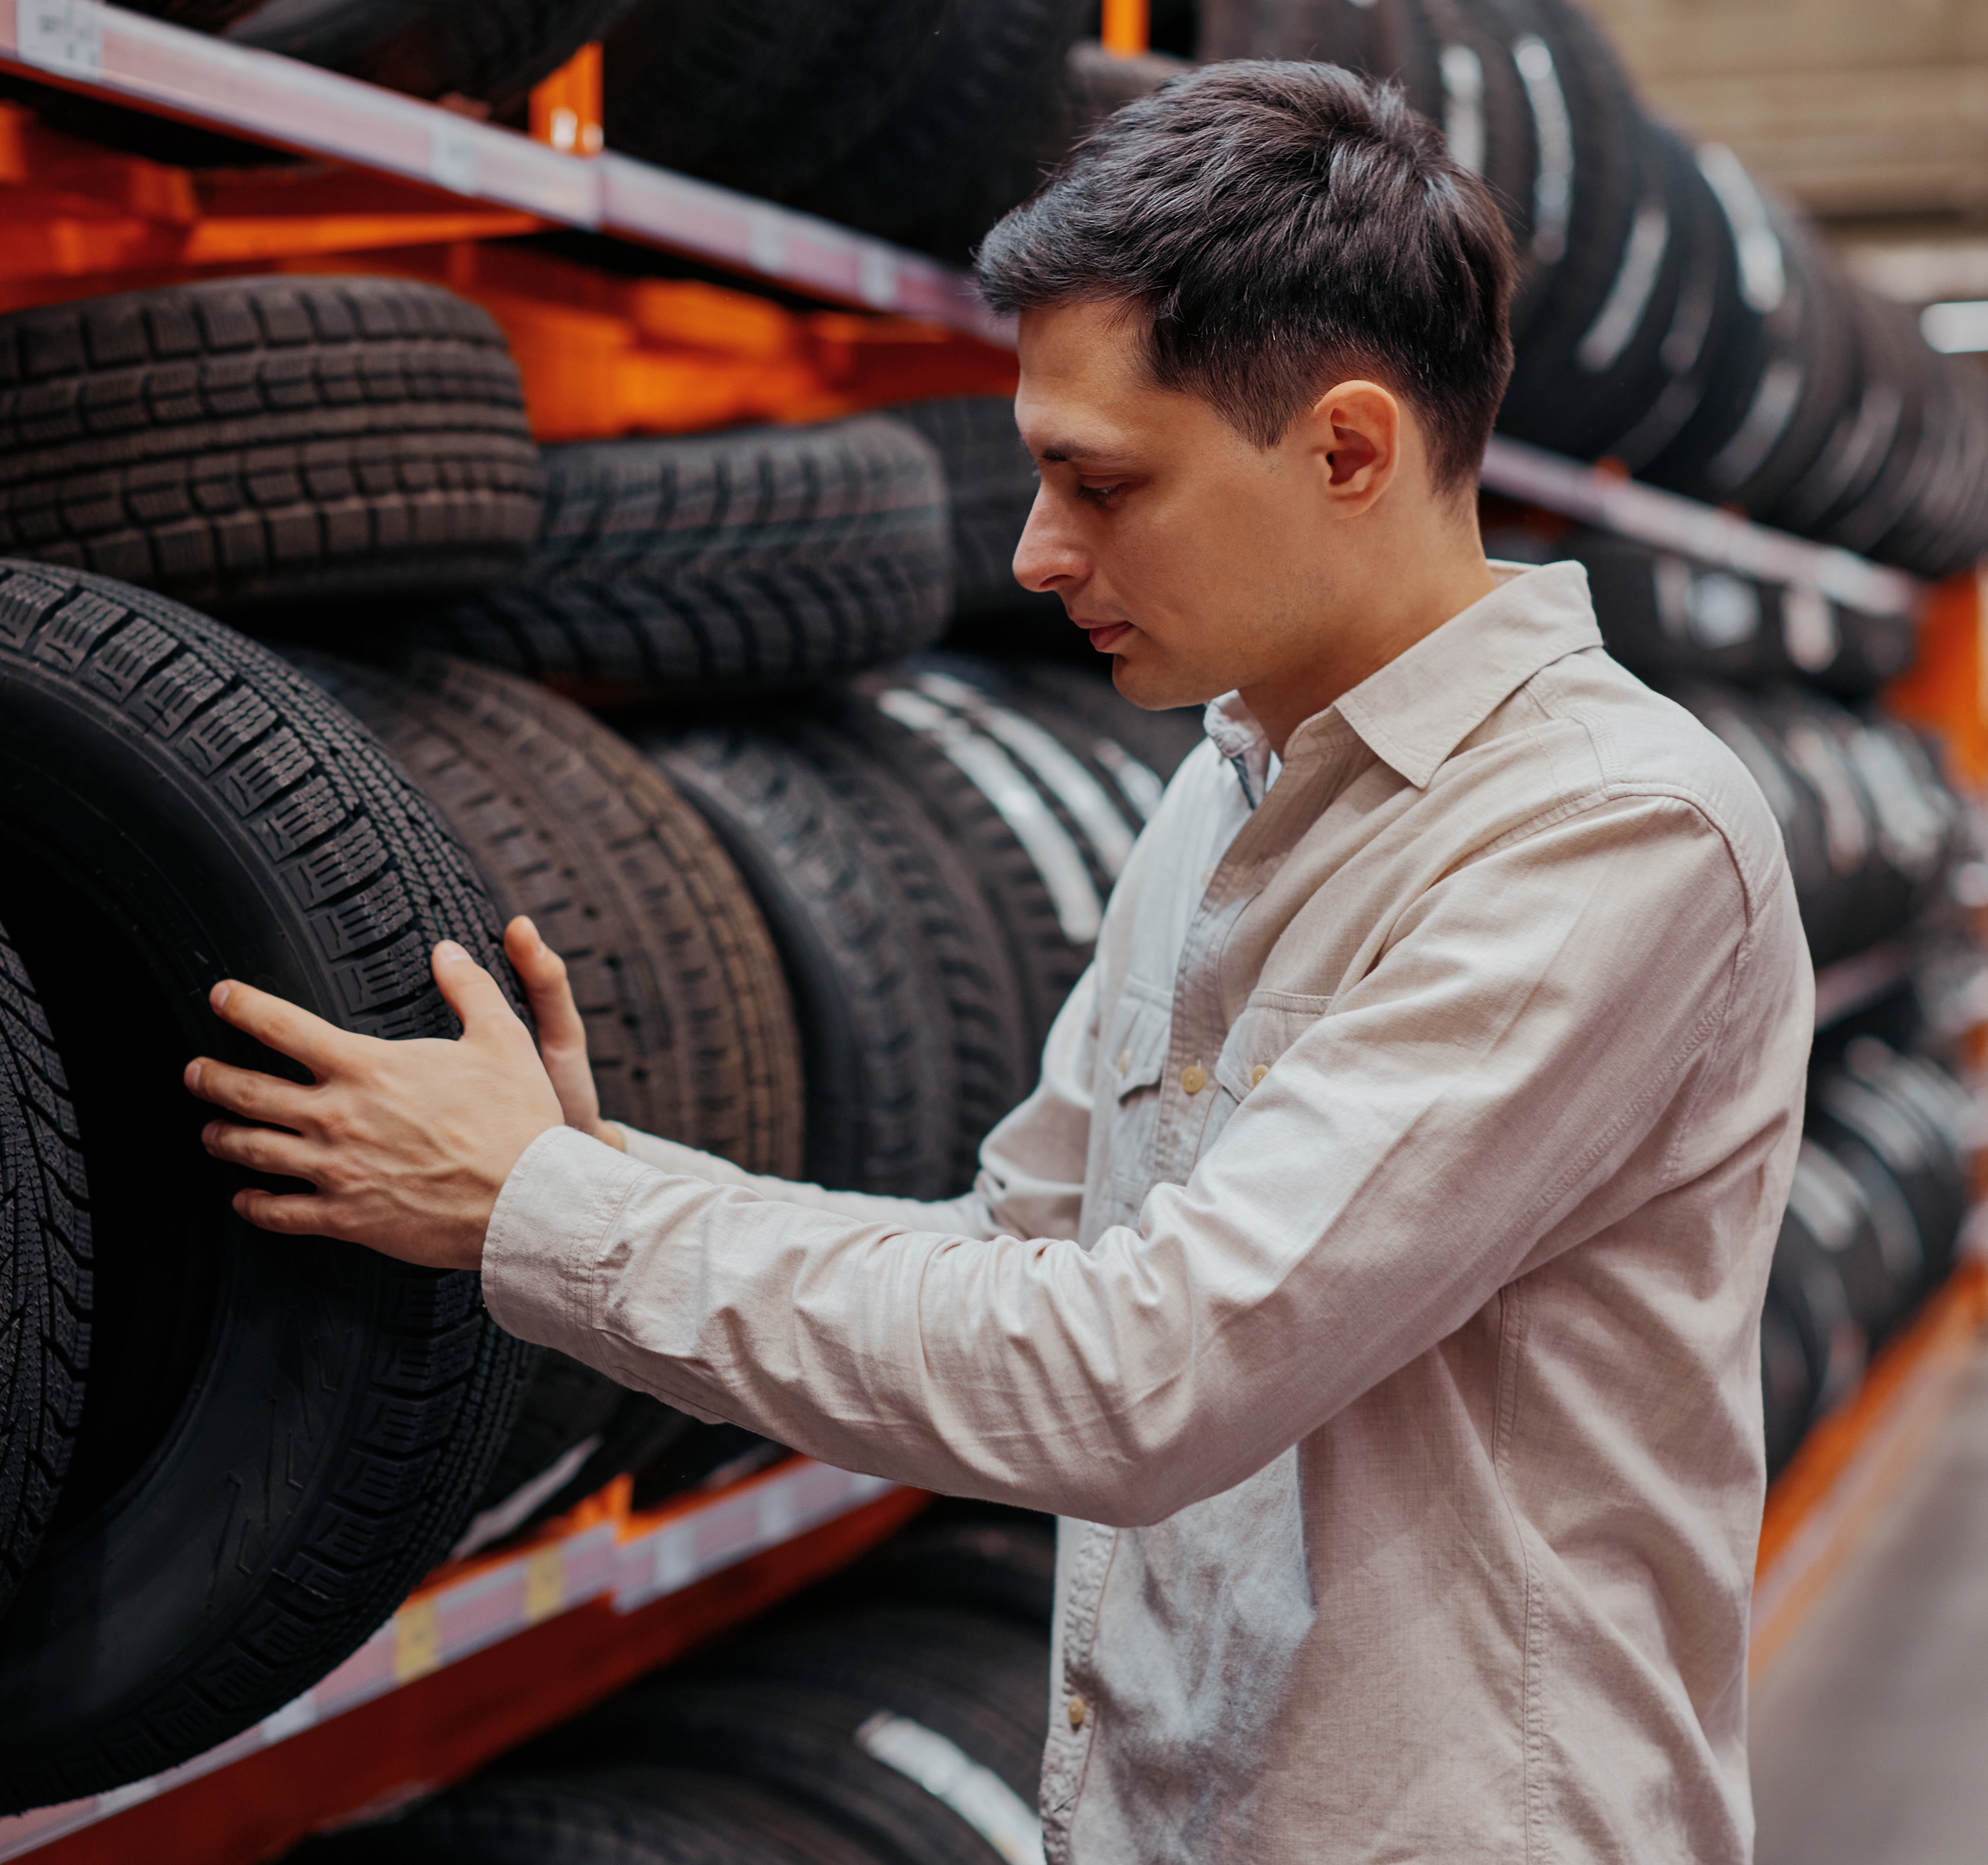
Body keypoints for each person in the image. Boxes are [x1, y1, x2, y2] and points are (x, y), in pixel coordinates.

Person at [183, 60, 1809, 1864]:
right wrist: (584, 1179)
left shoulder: (1603, 837)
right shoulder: (1225, 791)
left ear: (1348, 448)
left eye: (1099, 481)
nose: (1036, 552)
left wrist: (549, 1215)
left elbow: (1136, 1375)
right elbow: (1020, 1260)